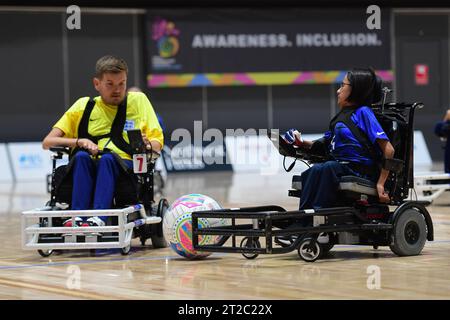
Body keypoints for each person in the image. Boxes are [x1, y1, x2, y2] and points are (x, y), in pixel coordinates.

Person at [42, 55, 163, 227]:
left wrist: (147, 144)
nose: (117, 89)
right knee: (81, 157)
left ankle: (99, 217)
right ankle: (78, 217)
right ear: (96, 84)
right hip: (89, 163)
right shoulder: (83, 106)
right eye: (110, 84)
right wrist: (79, 142)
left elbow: (157, 142)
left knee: (108, 158)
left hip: (125, 167)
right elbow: (48, 142)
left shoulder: (139, 101)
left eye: (122, 83)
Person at [283, 67, 395, 218]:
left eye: (343, 86)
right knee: (314, 170)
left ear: (355, 90)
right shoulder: (339, 117)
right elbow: (324, 144)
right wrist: (301, 142)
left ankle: (316, 219)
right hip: (340, 167)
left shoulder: (363, 112)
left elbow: (389, 150)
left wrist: (381, 183)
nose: (338, 90)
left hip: (360, 170)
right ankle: (304, 218)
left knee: (327, 168)